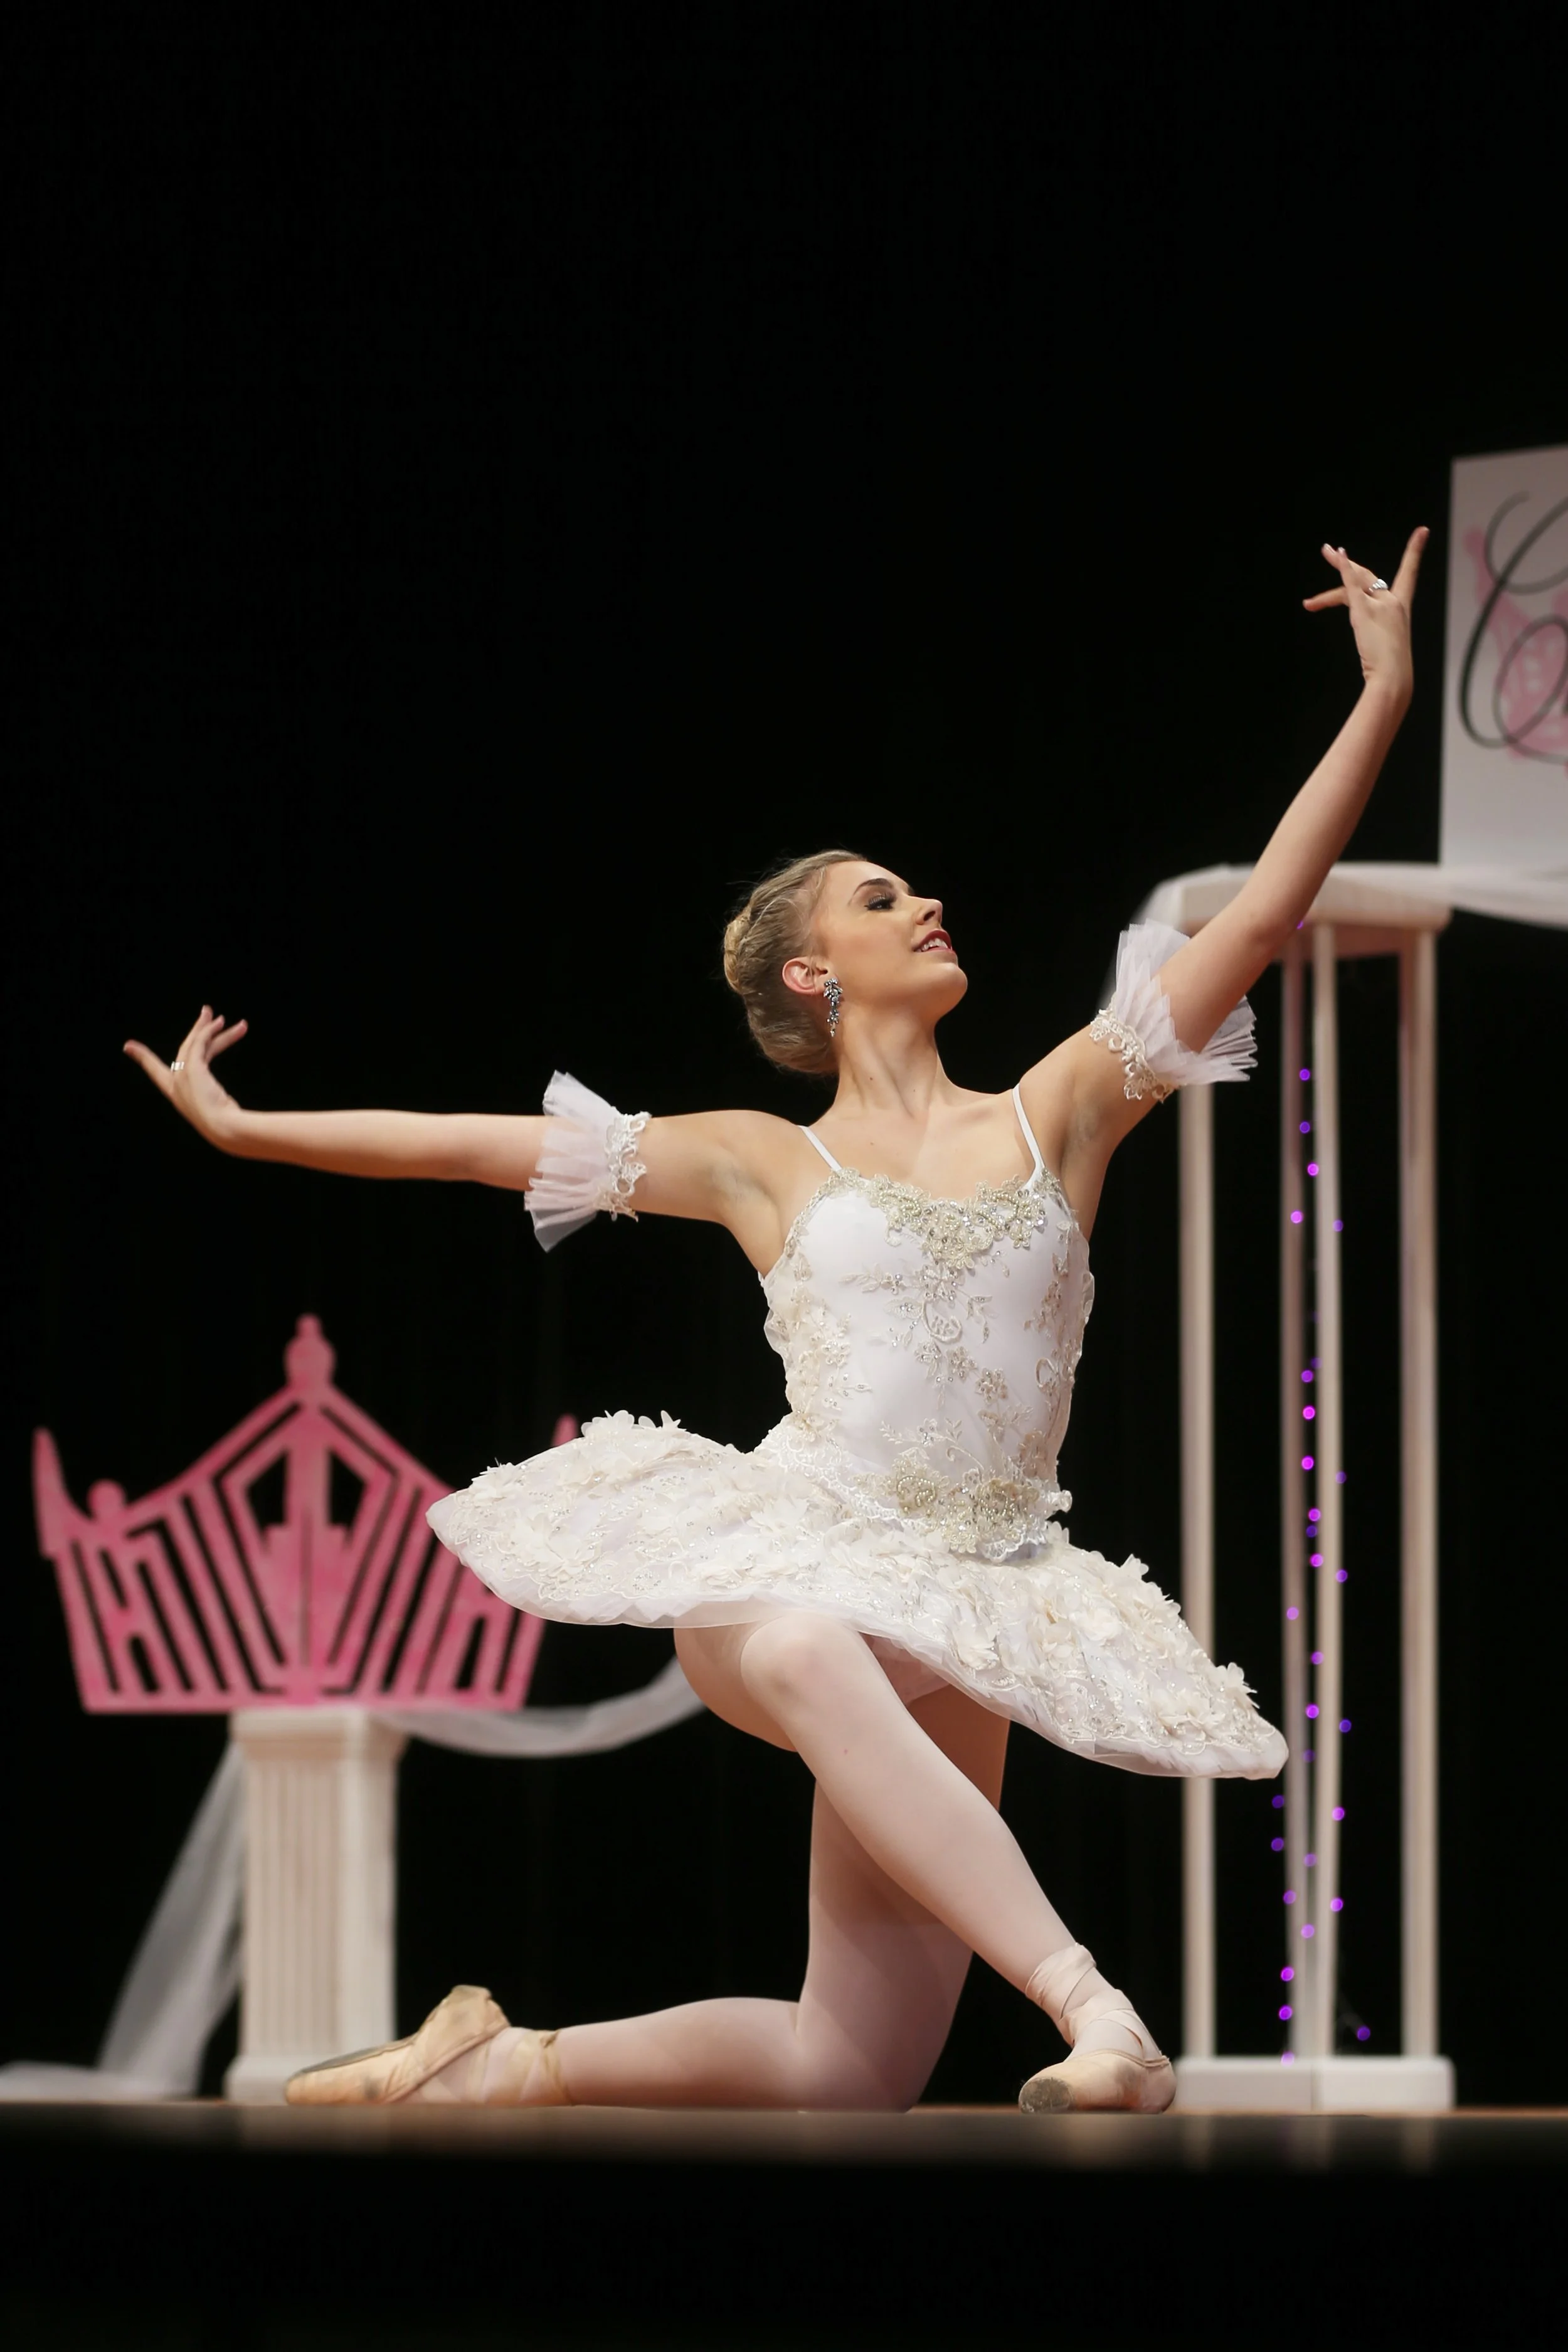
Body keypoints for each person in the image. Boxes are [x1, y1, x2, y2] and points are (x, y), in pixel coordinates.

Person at [126, 532, 1426, 2115]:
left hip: (971, 1596)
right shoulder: (762, 1156)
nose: (927, 900)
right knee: (810, 1642)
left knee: (847, 2069)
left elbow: (1267, 911)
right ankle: (1098, 2013)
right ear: (816, 971)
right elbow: (477, 1143)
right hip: (788, 1559)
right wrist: (250, 1132)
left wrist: (1380, 694)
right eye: (884, 898)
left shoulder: (1063, 1111)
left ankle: (499, 2063)